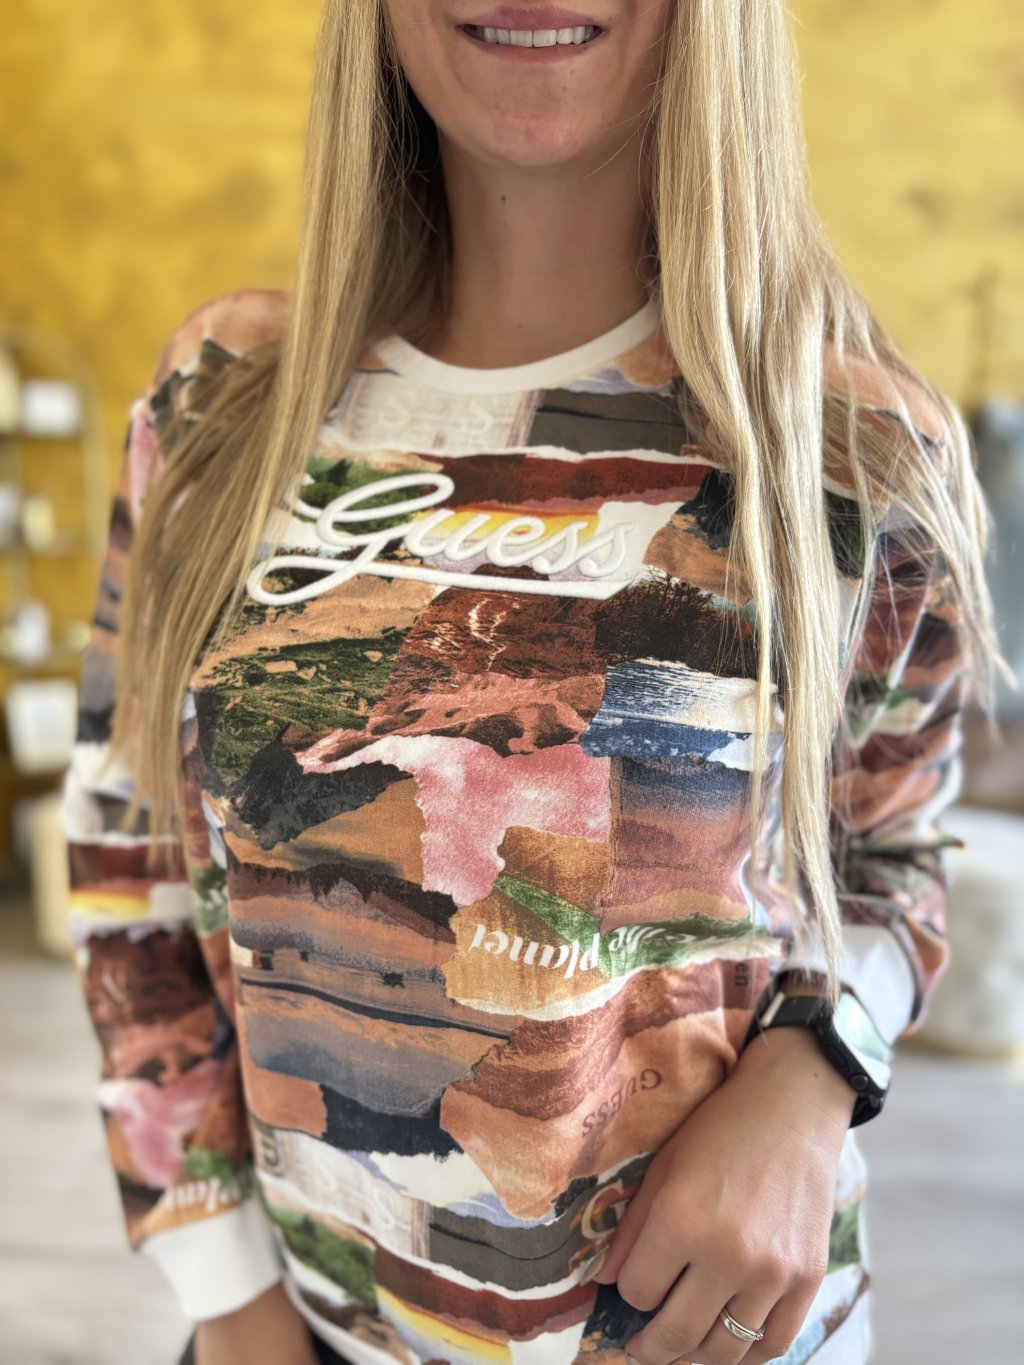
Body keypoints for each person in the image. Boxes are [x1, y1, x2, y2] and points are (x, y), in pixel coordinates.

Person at [61, 3, 1009, 1364]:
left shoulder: (848, 445)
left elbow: (892, 859)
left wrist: (813, 1077)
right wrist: (231, 1300)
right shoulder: (220, 402)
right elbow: (127, 863)